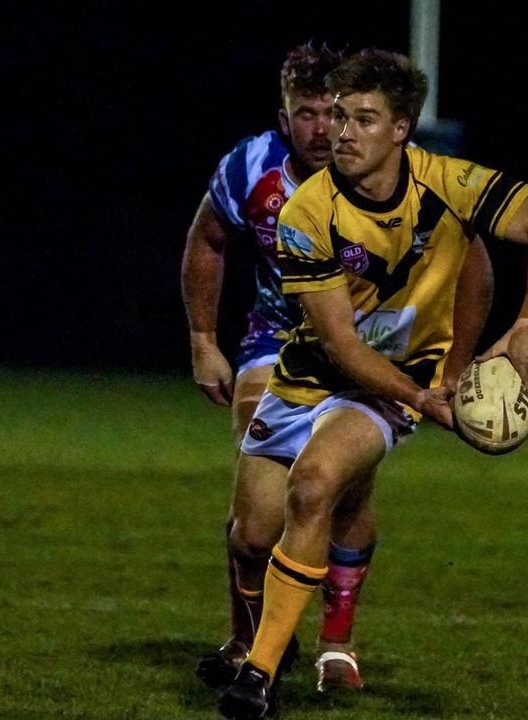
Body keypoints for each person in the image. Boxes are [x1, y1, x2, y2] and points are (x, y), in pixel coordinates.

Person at [217, 48, 528, 719]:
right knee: (250, 535)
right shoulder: (306, 212)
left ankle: (258, 675)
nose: (341, 133)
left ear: (401, 128)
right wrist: (428, 401)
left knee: (317, 484)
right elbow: (340, 345)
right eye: (338, 117)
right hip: (309, 378)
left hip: (386, 387)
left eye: (362, 119)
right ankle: (258, 641)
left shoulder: (449, 182)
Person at [182, 43, 493, 692]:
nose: (325, 129)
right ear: (283, 115)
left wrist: (457, 364)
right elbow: (208, 239)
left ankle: (333, 643)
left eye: (339, 113)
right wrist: (203, 338)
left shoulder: (402, 175)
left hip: (377, 354)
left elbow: (474, 261)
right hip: (278, 343)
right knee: (259, 519)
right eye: (308, 113)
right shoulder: (253, 168)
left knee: (338, 486)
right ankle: (252, 637)